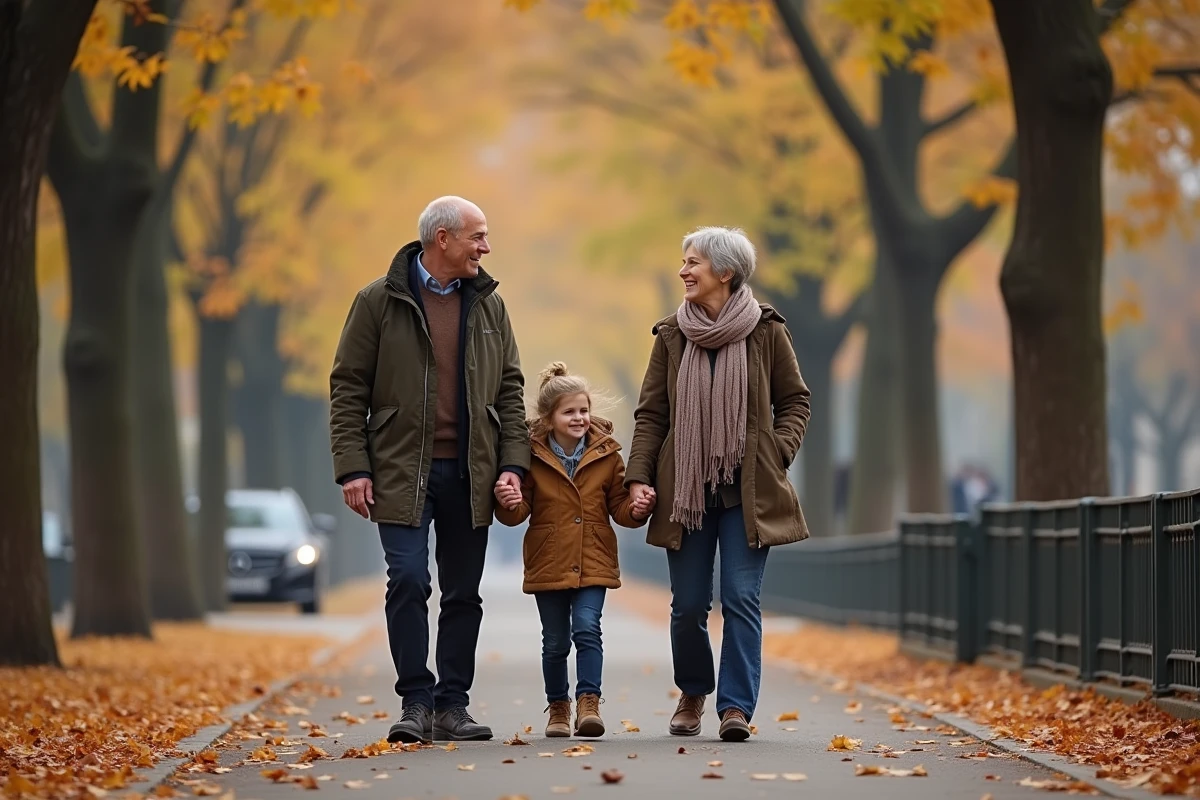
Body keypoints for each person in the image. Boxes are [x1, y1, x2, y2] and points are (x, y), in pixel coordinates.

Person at [329, 196, 529, 744]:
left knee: (464, 592)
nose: (485, 248)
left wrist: (512, 464)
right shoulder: (377, 301)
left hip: (472, 473)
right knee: (410, 580)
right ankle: (415, 701)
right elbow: (348, 387)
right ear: (442, 239)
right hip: (399, 470)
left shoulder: (489, 303)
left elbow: (510, 390)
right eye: (477, 237)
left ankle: (452, 705)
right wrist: (352, 468)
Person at [625, 226, 811, 742]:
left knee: (740, 597)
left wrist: (776, 452)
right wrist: (638, 477)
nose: (684, 271)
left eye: (693, 263)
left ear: (725, 272)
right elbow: (651, 415)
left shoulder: (767, 331)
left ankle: (734, 708)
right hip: (685, 492)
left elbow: (794, 401)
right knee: (687, 605)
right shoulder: (671, 336)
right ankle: (693, 691)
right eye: (684, 263)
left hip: (746, 491)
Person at [494, 363, 654, 738]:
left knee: (587, 628)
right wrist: (507, 499)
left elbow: (619, 508)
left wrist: (637, 508)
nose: (579, 418)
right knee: (554, 642)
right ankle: (559, 707)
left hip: (593, 559)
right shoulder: (531, 458)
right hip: (548, 562)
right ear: (549, 419)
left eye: (584, 410)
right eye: (569, 412)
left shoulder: (608, 456)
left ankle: (589, 703)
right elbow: (516, 514)